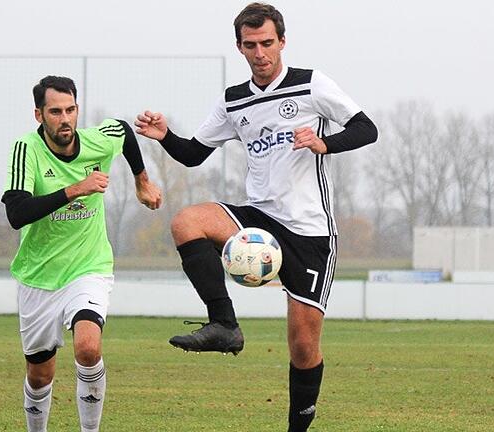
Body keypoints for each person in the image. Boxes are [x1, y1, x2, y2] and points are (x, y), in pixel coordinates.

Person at [134, 3, 377, 431]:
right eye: (251, 45)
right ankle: (225, 325)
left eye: (267, 43)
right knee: (186, 221)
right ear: (239, 47)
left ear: (282, 41)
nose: (260, 52)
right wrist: (165, 136)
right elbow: (193, 154)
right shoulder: (234, 100)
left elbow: (365, 127)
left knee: (303, 348)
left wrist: (326, 144)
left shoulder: (311, 85)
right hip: (258, 218)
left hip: (309, 231)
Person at [2, 75, 162, 432]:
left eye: (71, 110)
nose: (65, 119)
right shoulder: (26, 149)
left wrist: (142, 181)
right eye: (55, 111)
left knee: (88, 348)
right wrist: (74, 189)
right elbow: (16, 213)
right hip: (39, 275)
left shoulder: (95, 141)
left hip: (89, 266)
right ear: (39, 115)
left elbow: (122, 129)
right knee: (40, 375)